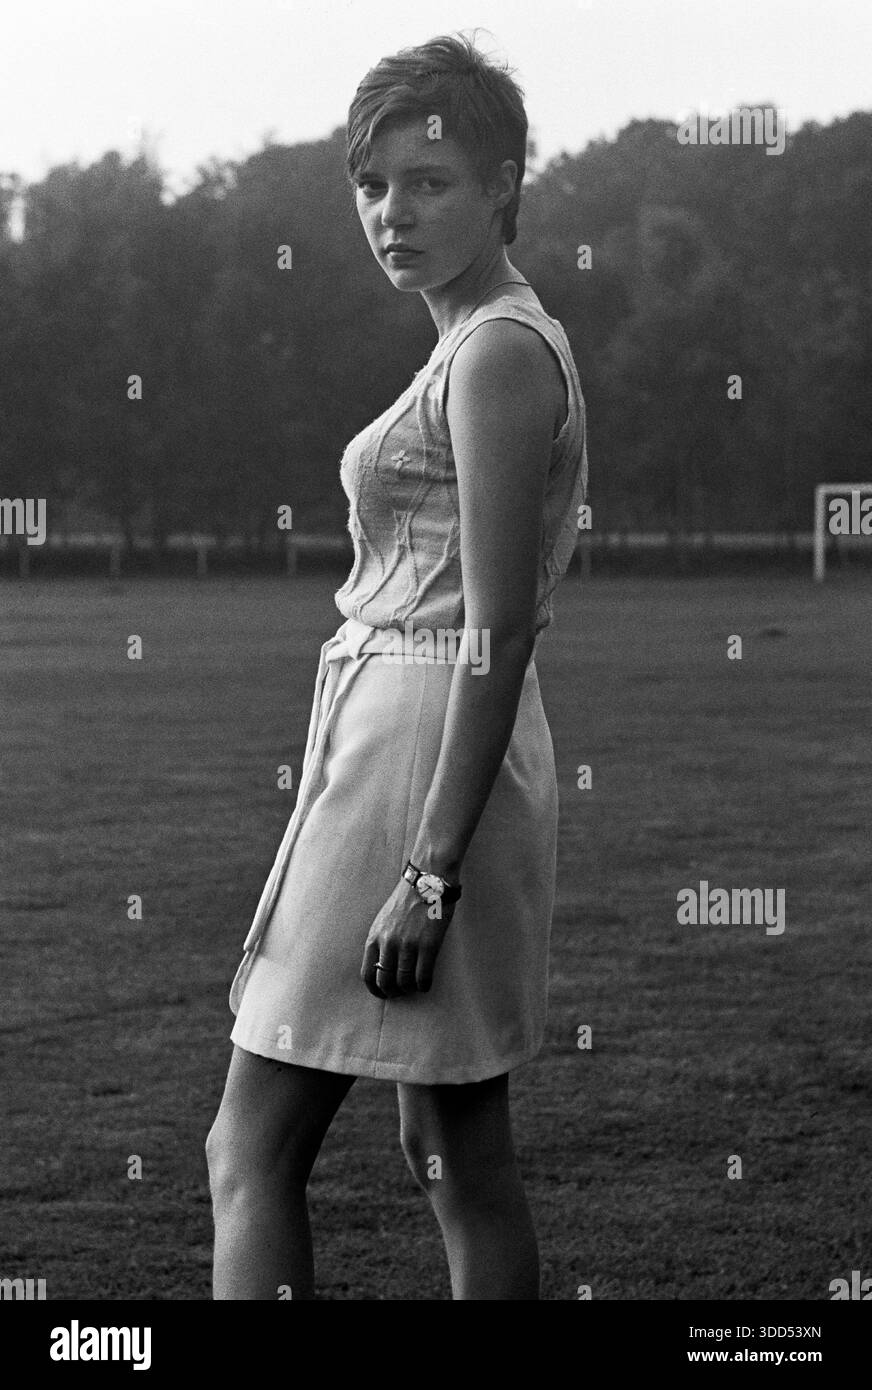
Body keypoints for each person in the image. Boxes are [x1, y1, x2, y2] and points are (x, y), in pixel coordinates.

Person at [206, 31, 588, 1301]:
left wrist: (425, 873)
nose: (391, 212)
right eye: (371, 185)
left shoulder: (494, 354)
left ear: (501, 187)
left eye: (427, 181)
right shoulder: (471, 340)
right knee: (452, 1146)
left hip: (423, 756)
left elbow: (497, 626)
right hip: (414, 734)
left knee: (248, 1144)